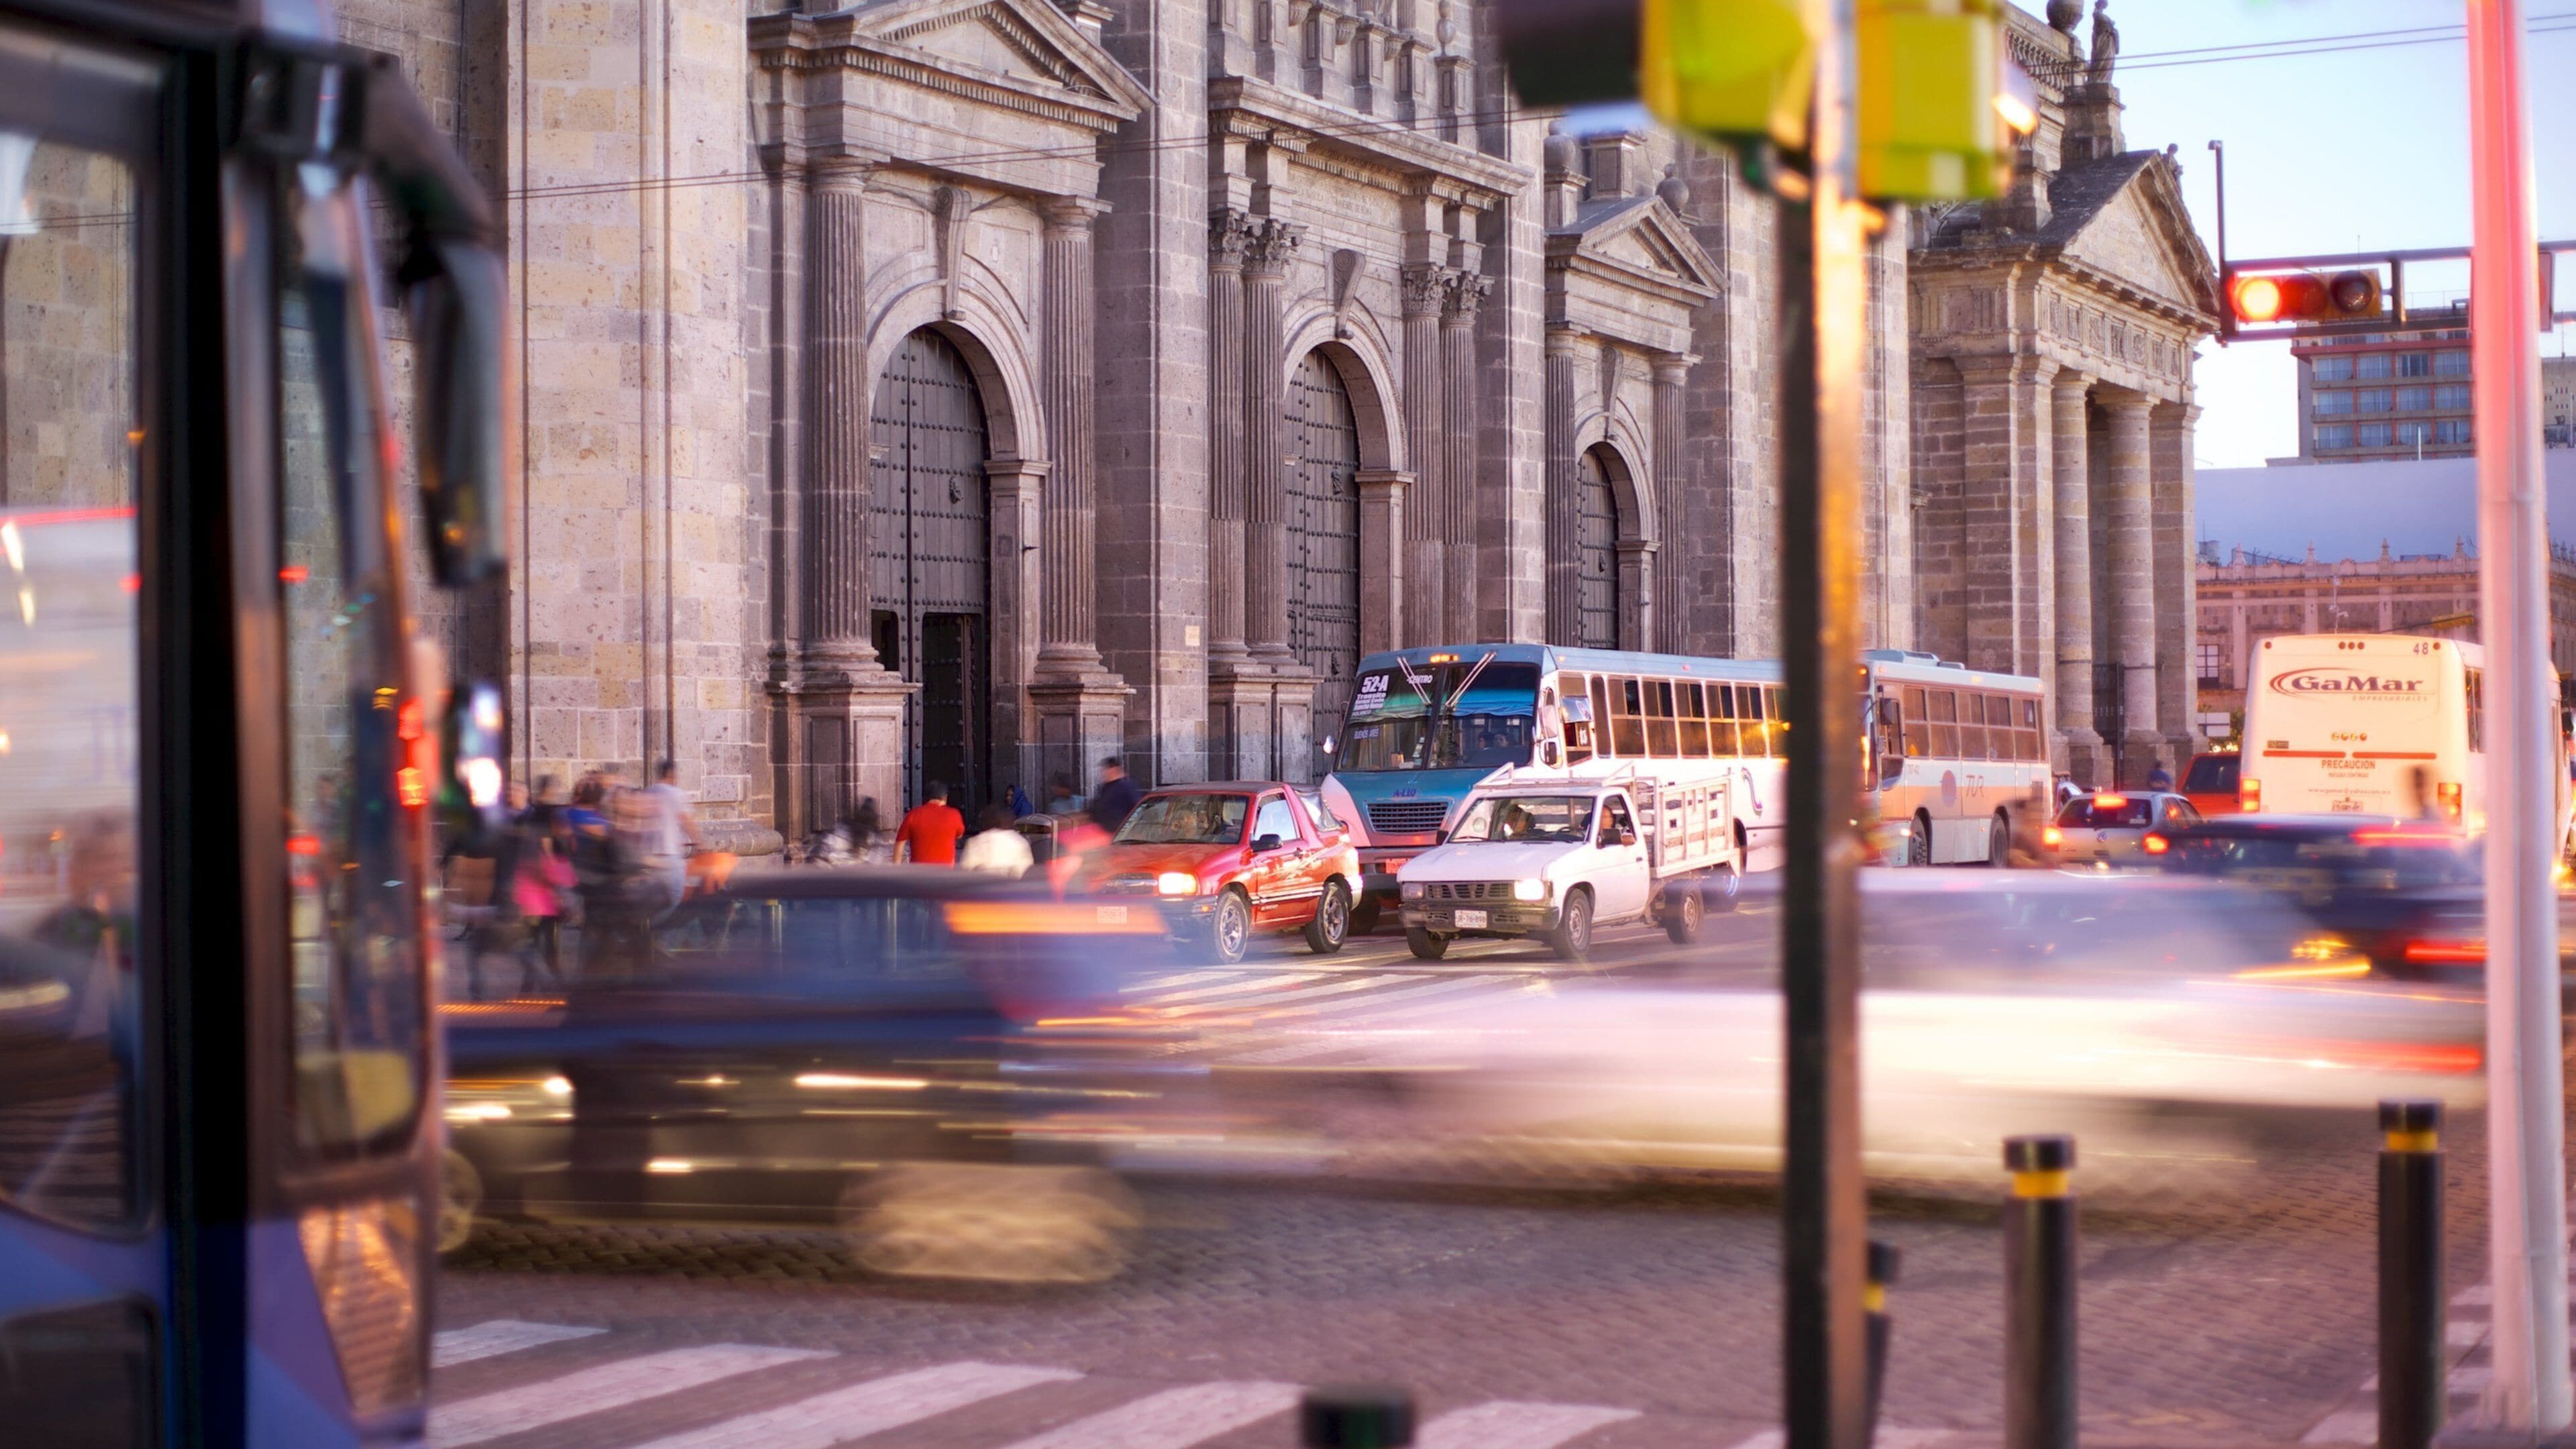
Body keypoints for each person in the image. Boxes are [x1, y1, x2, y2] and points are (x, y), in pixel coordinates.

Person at [639, 758, 700, 915]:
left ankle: (650, 933)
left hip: (647, 857)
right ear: (672, 774)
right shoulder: (676, 794)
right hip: (669, 856)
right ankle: (659, 936)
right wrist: (700, 843)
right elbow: (686, 821)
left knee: (651, 903)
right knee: (673, 901)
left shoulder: (647, 792)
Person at [896, 782, 967, 865]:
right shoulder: (954, 814)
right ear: (945, 797)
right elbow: (959, 835)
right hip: (946, 873)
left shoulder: (913, 814)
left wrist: (897, 867)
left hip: (918, 873)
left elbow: (900, 843)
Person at [959, 803, 1035, 878]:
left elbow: (967, 869)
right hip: (1011, 887)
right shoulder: (1019, 842)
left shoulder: (975, 842)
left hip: (981, 888)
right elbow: (1024, 869)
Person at [1092, 756, 1142, 835]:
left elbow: (1136, 808)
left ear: (1114, 769)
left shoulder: (1126, 786)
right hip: (1105, 831)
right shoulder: (1106, 787)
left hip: (1120, 832)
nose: (1103, 773)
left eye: (1106, 770)